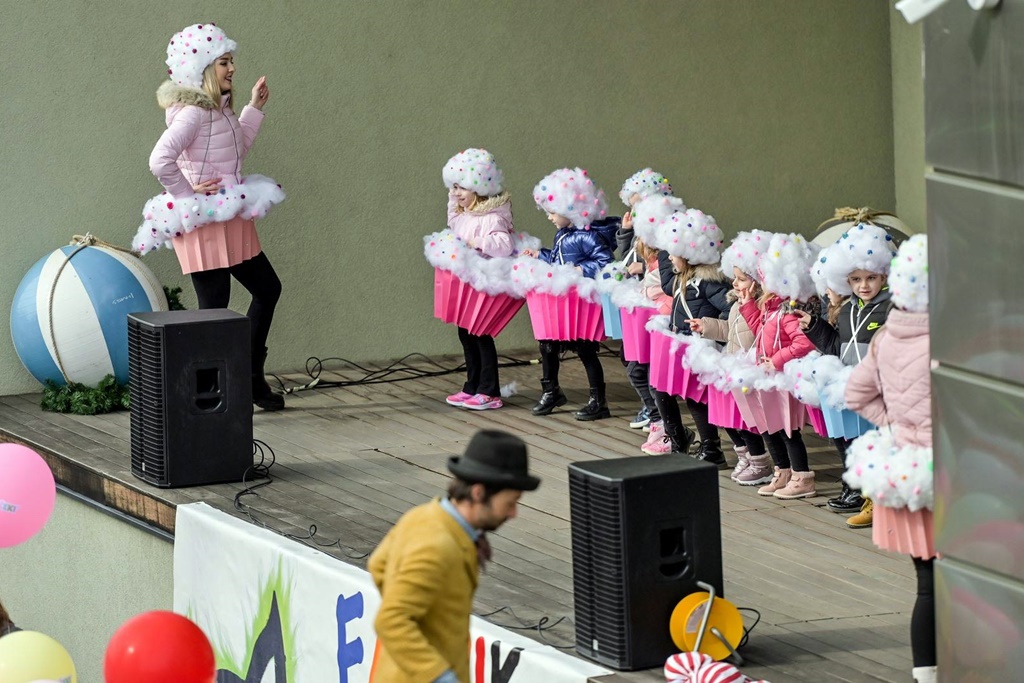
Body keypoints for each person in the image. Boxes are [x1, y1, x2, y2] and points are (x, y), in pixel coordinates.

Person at [132, 23, 287, 411]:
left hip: (231, 214)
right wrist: (187, 195)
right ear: (202, 68)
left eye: (231, 61)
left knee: (267, 289)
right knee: (215, 310)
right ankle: (208, 399)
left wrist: (254, 108)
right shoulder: (193, 114)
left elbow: (236, 152)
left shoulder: (220, 108)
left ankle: (250, 377)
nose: (232, 68)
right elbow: (160, 161)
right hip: (204, 222)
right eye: (223, 62)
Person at [369, 430, 540, 683]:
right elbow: (391, 620)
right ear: (478, 493)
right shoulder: (438, 547)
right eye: (511, 502)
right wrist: (441, 677)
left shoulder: (422, 515)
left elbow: (377, 564)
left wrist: (420, 613)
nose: (513, 513)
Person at [844, 235, 935, 683]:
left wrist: (896, 426)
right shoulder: (953, 341)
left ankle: (927, 674)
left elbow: (855, 394)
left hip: (908, 474)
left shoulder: (887, 336)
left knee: (928, 586)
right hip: (956, 477)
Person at [795, 224, 898, 526]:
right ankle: (867, 498)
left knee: (879, 446)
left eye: (871, 278)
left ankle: (883, 503)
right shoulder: (847, 310)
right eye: (856, 279)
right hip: (850, 386)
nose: (863, 285)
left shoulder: (892, 307)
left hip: (880, 389)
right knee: (856, 444)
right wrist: (814, 326)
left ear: (884, 275)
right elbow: (836, 347)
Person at [522, 168, 618, 420]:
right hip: (562, 301)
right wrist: (540, 255)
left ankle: (598, 400)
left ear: (570, 209)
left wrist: (581, 269)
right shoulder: (563, 234)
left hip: (581, 303)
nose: (549, 217)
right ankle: (551, 391)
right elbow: (558, 261)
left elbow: (605, 262)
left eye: (552, 212)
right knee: (547, 345)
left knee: (586, 349)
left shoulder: (588, 236)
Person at [688, 230, 774, 485]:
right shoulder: (736, 304)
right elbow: (730, 331)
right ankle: (745, 456)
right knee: (726, 416)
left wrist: (749, 308)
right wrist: (707, 326)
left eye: (741, 279)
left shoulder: (760, 307)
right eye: (734, 278)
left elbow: (760, 333)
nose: (734, 284)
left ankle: (759, 462)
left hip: (750, 371)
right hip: (732, 365)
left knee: (746, 421)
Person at [738, 232, 817, 499]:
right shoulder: (770, 308)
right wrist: (748, 306)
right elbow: (759, 333)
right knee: (769, 427)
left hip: (782, 378)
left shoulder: (787, 312)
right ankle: (783, 471)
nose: (761, 283)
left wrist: (778, 359)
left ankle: (802, 476)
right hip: (768, 376)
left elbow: (804, 342)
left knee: (788, 430)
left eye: (764, 279)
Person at [442, 149, 515, 411]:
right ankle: (472, 385)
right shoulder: (463, 215)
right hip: (467, 285)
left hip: (483, 286)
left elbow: (505, 245)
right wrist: (453, 197)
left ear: (480, 187)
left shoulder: (493, 217)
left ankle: (489, 390)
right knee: (465, 334)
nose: (457, 193)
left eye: (462, 187)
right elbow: (453, 219)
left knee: (480, 334)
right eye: (454, 187)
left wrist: (477, 241)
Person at [616, 169, 673, 431]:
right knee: (631, 358)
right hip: (643, 304)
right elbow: (626, 259)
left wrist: (644, 269)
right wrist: (625, 233)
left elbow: (669, 273)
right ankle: (652, 408)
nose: (633, 212)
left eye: (637, 206)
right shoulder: (641, 234)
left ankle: (655, 412)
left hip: (659, 307)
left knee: (643, 364)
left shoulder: (665, 237)